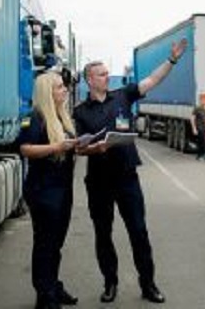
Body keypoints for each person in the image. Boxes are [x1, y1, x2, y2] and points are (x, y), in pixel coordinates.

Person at [73, 39, 187, 304]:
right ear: (90, 80)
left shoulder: (123, 95)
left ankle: (148, 284)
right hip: (99, 182)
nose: (106, 77)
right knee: (103, 235)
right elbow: (77, 147)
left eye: (106, 73)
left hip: (127, 179)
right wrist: (94, 149)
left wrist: (171, 60)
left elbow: (152, 81)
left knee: (139, 232)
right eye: (101, 74)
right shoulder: (80, 112)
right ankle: (110, 283)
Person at [18, 72, 79, 309]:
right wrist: (57, 146)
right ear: (47, 92)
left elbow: (69, 148)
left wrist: (85, 145)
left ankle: (53, 285)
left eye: (64, 86)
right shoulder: (34, 117)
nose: (65, 90)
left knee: (56, 242)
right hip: (43, 190)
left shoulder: (62, 117)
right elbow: (25, 149)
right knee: (45, 243)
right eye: (60, 87)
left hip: (63, 189)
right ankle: (44, 295)